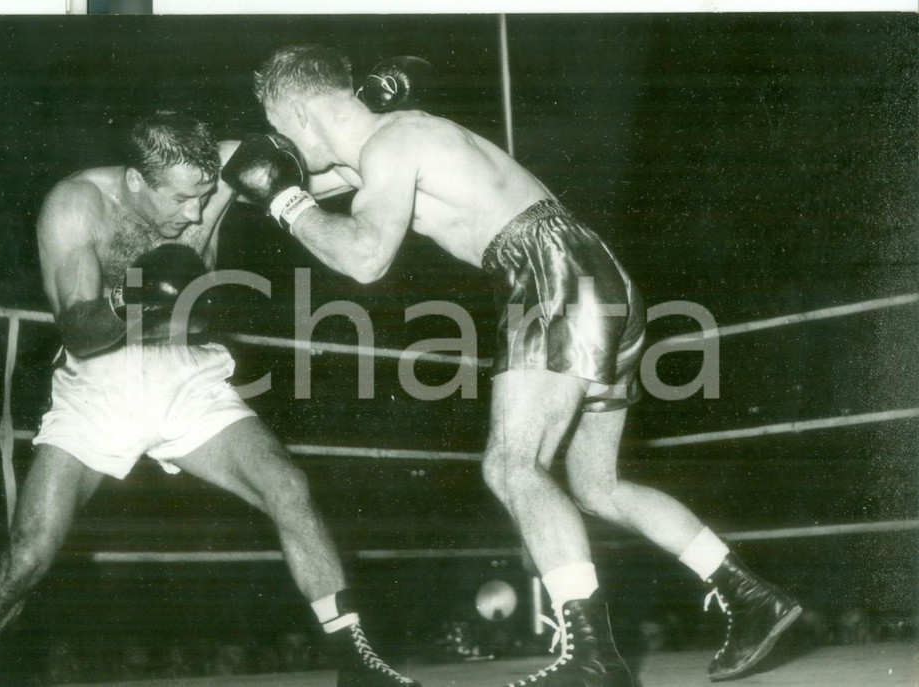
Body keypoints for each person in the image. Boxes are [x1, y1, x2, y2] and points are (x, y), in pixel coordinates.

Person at [226, 45, 803, 686]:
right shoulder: (395, 141)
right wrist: (245, 175)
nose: (278, 145)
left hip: (546, 270)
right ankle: (751, 596)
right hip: (591, 271)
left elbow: (364, 257)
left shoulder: (394, 143)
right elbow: (298, 177)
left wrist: (285, 203)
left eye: (279, 129)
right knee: (596, 483)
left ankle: (593, 661)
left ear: (300, 113)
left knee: (511, 464)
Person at [0, 111, 419, 687]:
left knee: (287, 486)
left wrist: (372, 116)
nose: (195, 213)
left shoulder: (220, 167)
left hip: (187, 372)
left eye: (206, 196)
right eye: (182, 200)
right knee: (30, 554)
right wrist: (135, 299)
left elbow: (329, 160)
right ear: (137, 181)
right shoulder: (75, 206)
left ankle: (355, 664)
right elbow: (78, 330)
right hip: (99, 383)